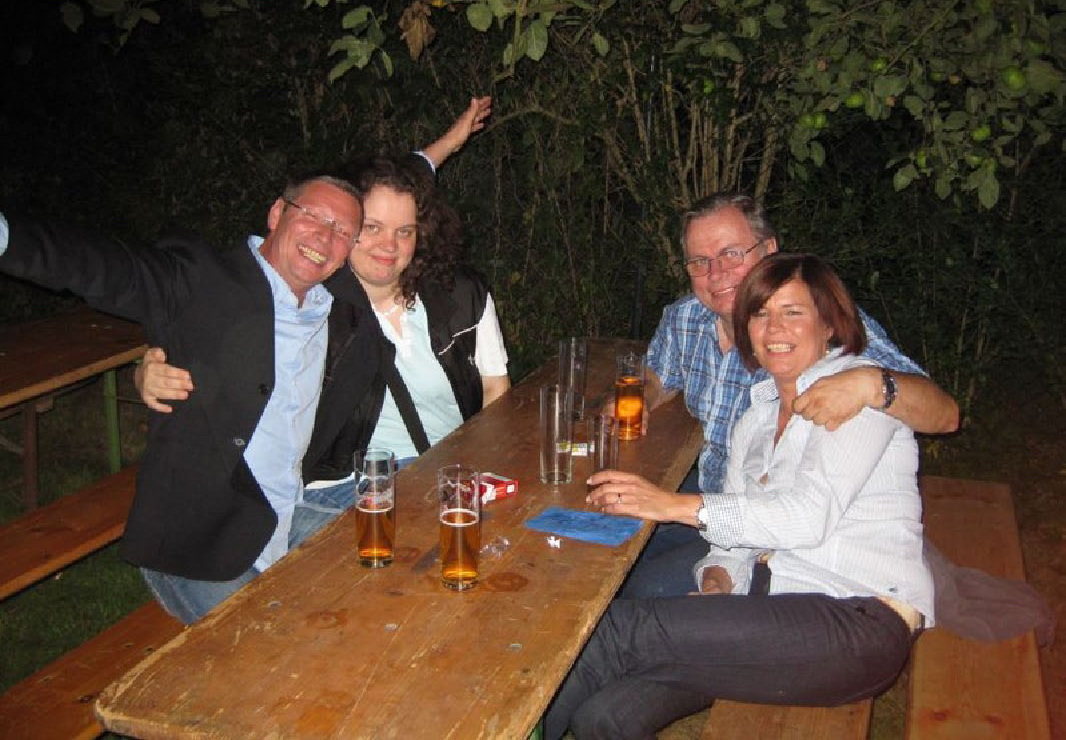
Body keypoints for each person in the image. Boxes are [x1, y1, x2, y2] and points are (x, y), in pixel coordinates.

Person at [545, 253, 935, 740]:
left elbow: (806, 517)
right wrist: (717, 583)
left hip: (857, 621)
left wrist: (672, 505)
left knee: (608, 634)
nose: (775, 328)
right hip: (767, 610)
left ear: (830, 325)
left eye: (793, 312)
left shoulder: (857, 396)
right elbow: (730, 545)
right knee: (606, 715)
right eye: (760, 313)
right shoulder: (756, 419)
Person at [0, 174, 364, 624]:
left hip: (286, 517)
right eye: (314, 217)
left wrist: (432, 154)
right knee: (273, 653)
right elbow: (102, 265)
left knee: (394, 584)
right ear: (277, 213)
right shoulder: (201, 279)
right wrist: (7, 236)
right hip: (201, 539)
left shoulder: (336, 304)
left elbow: (395, 211)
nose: (325, 237)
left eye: (343, 231)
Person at [609, 193, 958, 597]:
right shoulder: (685, 316)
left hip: (785, 526)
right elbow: (658, 373)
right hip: (712, 495)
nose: (716, 274)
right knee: (606, 542)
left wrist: (871, 383)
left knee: (635, 589)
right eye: (699, 262)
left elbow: (944, 414)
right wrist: (640, 396)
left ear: (769, 249)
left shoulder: (815, 322)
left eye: (731, 254)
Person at [139, 153, 511, 471]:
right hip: (344, 487)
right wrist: (152, 369)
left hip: (450, 471)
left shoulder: (459, 295)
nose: (389, 246)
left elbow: (496, 388)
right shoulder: (311, 305)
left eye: (404, 231)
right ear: (345, 228)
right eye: (372, 227)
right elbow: (220, 327)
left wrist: (486, 459)